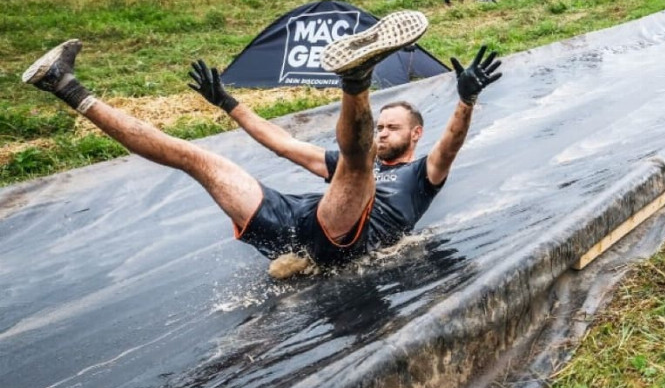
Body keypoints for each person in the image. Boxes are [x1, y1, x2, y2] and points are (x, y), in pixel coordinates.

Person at [19, 14, 504, 268]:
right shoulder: (347, 159)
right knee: (195, 157)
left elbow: (451, 147)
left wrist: (465, 101)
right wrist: (227, 103)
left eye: (391, 127)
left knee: (358, 165)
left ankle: (356, 80)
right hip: (294, 226)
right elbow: (280, 143)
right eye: (380, 125)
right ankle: (62, 84)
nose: (382, 131)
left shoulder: (422, 178)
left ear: (415, 134)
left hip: (346, 239)